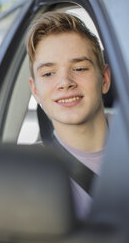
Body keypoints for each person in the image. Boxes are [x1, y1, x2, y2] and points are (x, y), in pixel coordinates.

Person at [26, 12, 111, 218]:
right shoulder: (26, 172)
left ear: (105, 79)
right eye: (48, 73)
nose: (65, 82)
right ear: (35, 90)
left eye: (80, 68)